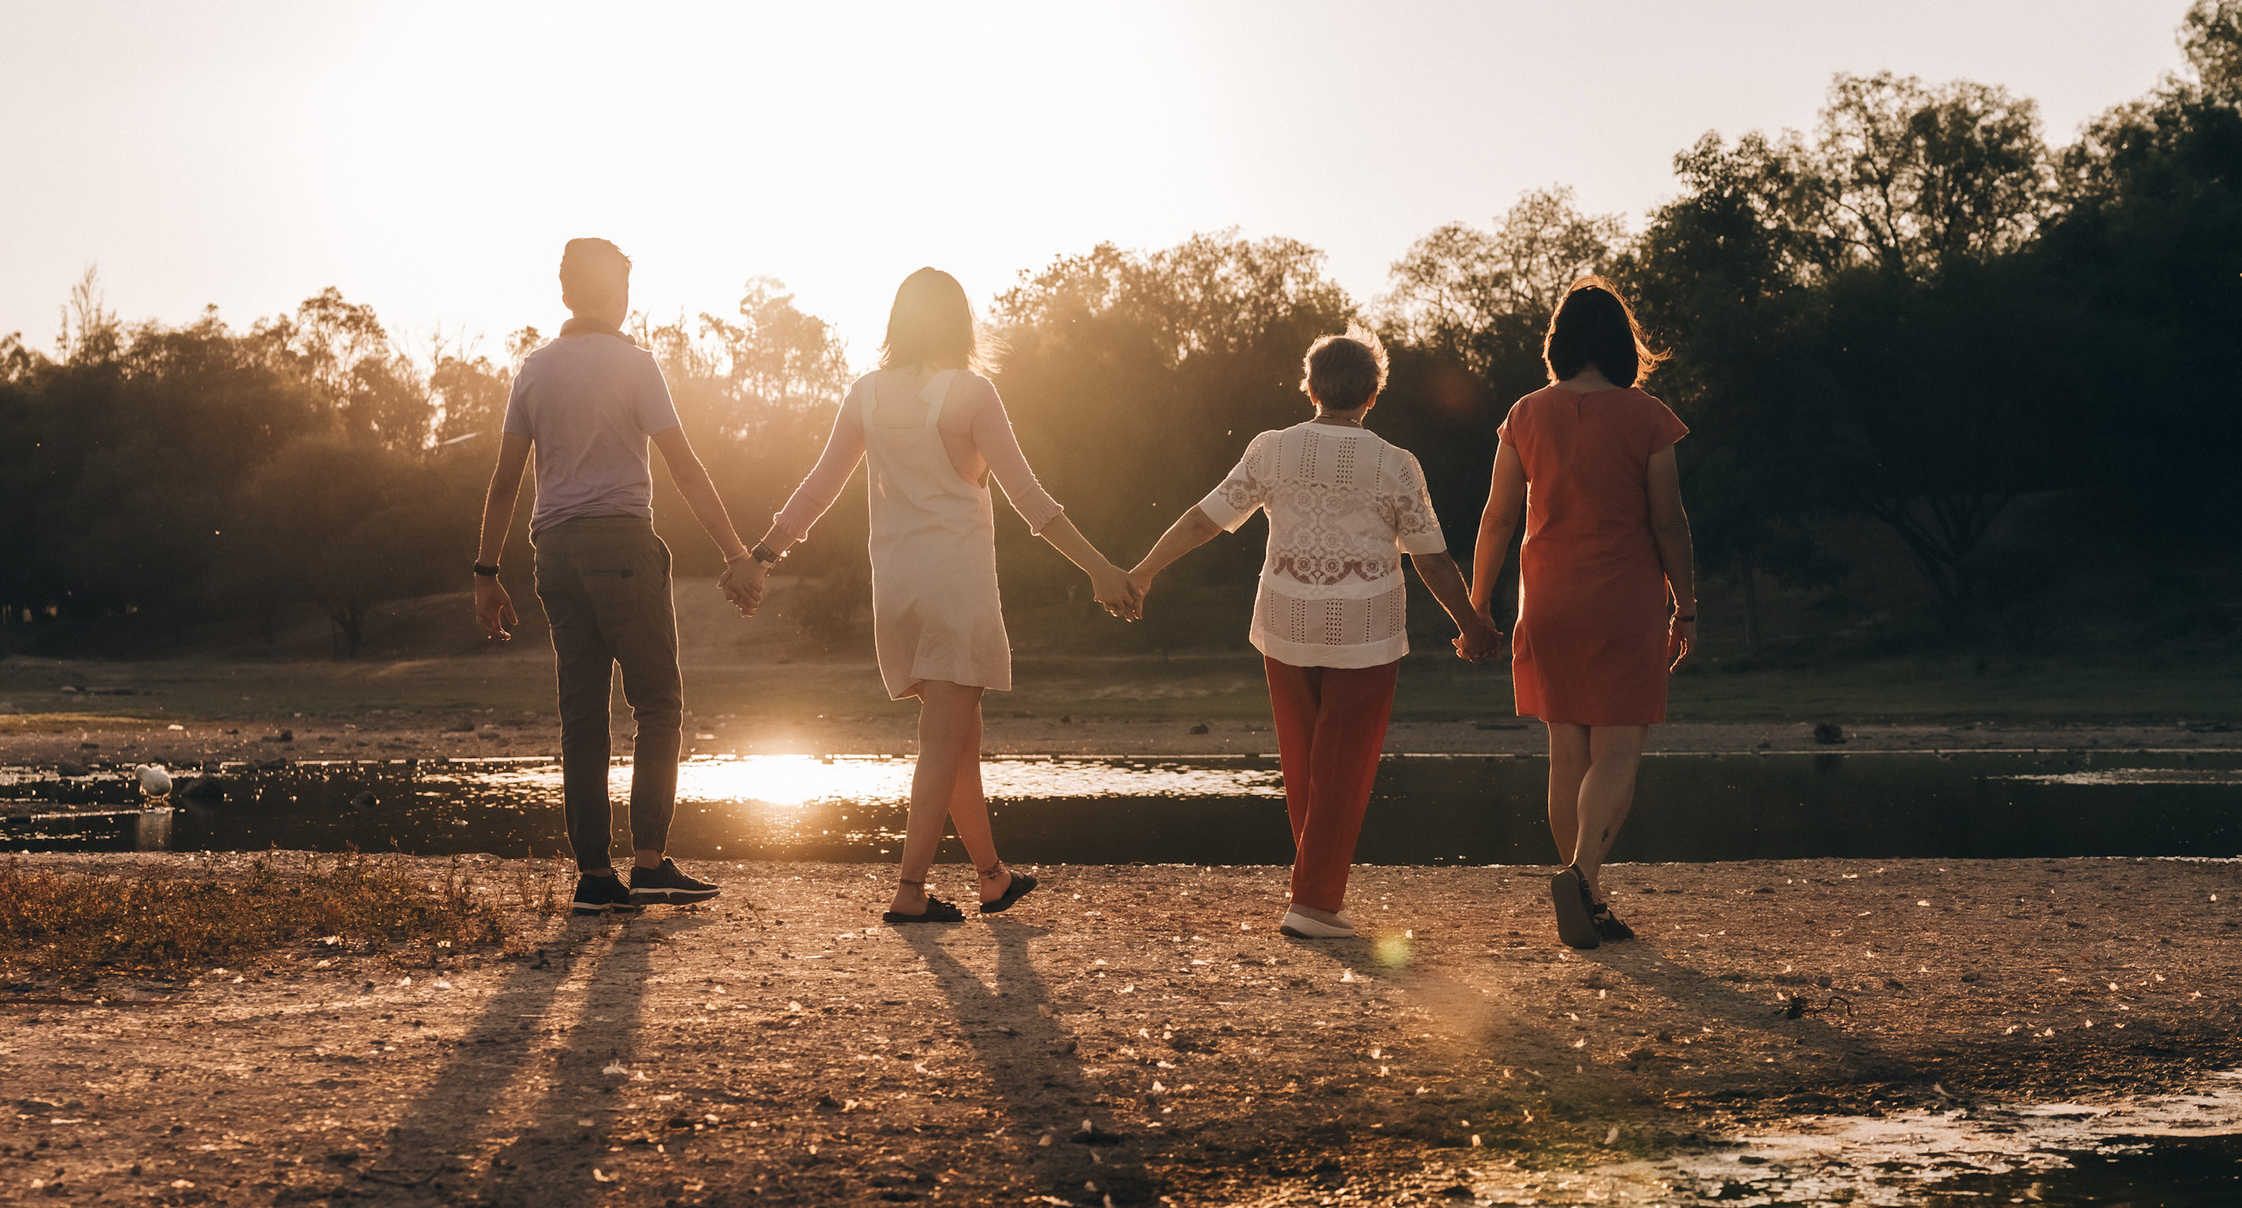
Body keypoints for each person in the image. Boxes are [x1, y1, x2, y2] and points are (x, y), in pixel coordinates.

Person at [749, 268, 1137, 925]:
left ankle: (992, 876)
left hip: (896, 585)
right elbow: (1030, 500)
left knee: (957, 735)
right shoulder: (972, 394)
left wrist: (764, 554)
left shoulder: (865, 394)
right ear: (960, 323)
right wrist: (1099, 567)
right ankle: (910, 889)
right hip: (955, 586)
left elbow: (818, 487)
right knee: (942, 739)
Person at [1128, 332, 1501, 940]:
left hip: (1286, 627)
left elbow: (1205, 518)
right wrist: (1472, 624)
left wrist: (1144, 570)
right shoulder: (1395, 462)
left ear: (1310, 388)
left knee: (1305, 764)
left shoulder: (1271, 449)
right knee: (1343, 766)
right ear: (1374, 394)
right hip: (1366, 634)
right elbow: (1430, 559)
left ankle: (1314, 890)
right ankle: (1315, 903)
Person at [472, 237, 764, 914]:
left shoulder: (534, 371)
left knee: (583, 714)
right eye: (625, 290)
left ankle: (596, 875)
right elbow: (685, 466)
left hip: (554, 551)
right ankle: (652, 861)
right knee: (658, 702)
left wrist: (485, 572)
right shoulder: (635, 364)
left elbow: (505, 483)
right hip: (621, 545)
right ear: (611, 293)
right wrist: (735, 551)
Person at [1469, 279, 1694, 950]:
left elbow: (1498, 517)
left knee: (1566, 750)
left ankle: (1587, 899)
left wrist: (1477, 604)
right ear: (1622, 344)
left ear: (1559, 342)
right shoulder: (1648, 416)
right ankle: (1582, 877)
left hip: (1548, 600)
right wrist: (1686, 604)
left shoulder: (1524, 413)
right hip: (1623, 599)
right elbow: (1669, 522)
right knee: (1619, 747)